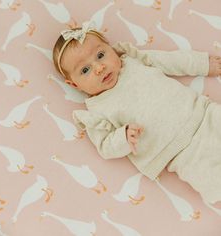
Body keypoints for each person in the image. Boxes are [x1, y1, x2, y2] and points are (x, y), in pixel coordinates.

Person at [52, 21, 221, 204]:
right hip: (181, 154)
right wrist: (123, 137)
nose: (99, 68)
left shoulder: (132, 61)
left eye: (101, 55)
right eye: (85, 70)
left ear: (112, 49)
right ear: (74, 85)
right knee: (213, 179)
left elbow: (169, 60)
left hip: (205, 115)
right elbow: (105, 146)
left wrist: (203, 64)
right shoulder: (96, 111)